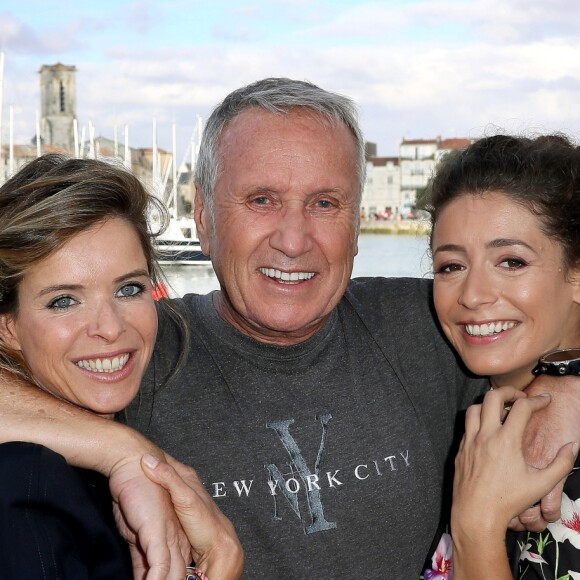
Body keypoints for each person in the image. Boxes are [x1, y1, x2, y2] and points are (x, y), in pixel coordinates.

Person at [0, 79, 571, 577]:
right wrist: (120, 449)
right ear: (203, 217)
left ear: (355, 225)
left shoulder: (431, 322)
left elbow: (543, 304)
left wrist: (563, 385)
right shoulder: (132, 347)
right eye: (262, 200)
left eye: (324, 203)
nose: (293, 240)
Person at [0, 154, 243, 579]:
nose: (110, 328)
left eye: (129, 288)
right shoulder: (24, 489)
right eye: (64, 300)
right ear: (9, 328)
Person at [423, 134, 580, 579]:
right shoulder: (481, 430)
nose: (472, 296)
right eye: (450, 266)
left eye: (511, 261)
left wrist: (476, 525)